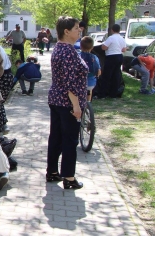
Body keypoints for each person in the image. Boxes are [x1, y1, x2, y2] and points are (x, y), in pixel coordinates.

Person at [47, 16, 88, 190]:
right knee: (70, 140)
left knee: (56, 137)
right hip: (67, 103)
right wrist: (76, 106)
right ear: (66, 31)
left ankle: (52, 171)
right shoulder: (69, 52)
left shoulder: (58, 48)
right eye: (76, 28)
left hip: (56, 99)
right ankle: (69, 178)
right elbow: (70, 83)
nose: (79, 30)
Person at [99, 24, 127, 99]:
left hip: (111, 56)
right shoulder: (122, 38)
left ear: (112, 30)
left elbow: (104, 47)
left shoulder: (111, 38)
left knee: (107, 75)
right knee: (116, 75)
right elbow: (124, 49)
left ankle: (102, 94)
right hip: (119, 56)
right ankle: (113, 94)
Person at [80, 36, 101, 102]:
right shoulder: (94, 57)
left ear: (80, 46)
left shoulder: (77, 56)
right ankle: (88, 103)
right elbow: (99, 71)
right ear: (92, 47)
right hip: (91, 83)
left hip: (79, 83)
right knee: (89, 90)